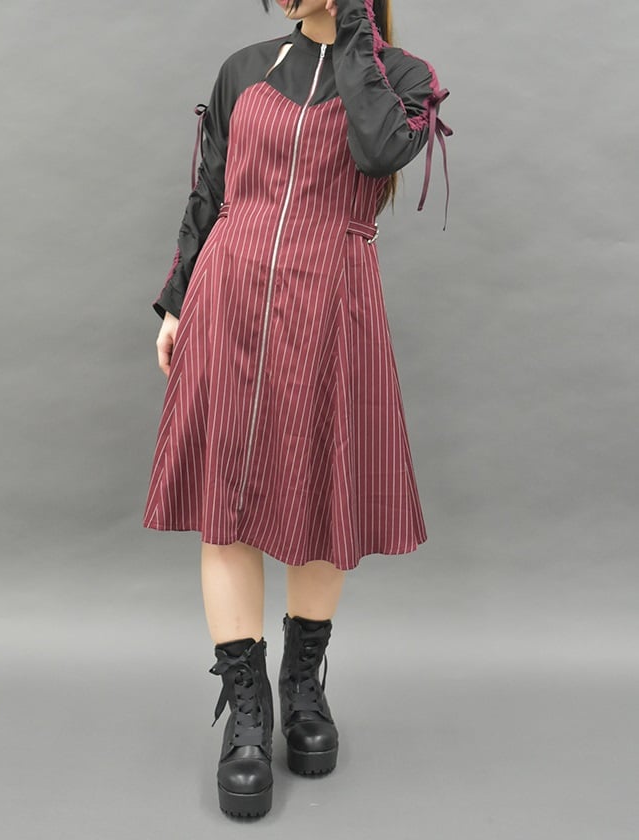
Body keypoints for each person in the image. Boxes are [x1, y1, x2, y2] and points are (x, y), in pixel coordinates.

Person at [142, 0, 452, 820]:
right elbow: (210, 187)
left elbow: (378, 149)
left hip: (332, 309)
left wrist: (352, 28)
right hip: (229, 299)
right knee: (227, 505)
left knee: (318, 500)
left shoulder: (403, 78)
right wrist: (176, 302)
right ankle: (248, 715)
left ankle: (303, 682)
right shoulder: (245, 70)